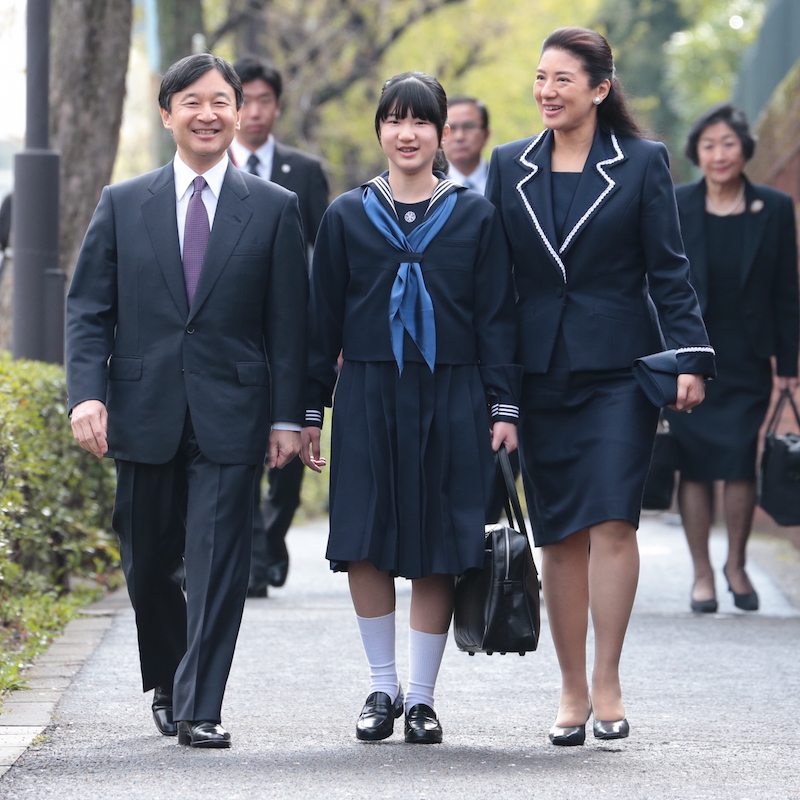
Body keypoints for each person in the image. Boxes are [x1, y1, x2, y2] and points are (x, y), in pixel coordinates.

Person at [65, 53, 308, 749]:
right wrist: (88, 394)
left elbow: (290, 324)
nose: (208, 114)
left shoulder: (273, 208)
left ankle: (201, 702)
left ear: (239, 113)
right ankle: (171, 676)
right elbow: (87, 310)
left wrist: (290, 416)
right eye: (192, 102)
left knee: (218, 560)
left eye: (221, 102)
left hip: (234, 413)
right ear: (167, 112)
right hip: (143, 411)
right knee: (146, 562)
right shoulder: (122, 202)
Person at [486, 27, 715, 746]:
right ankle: (571, 686)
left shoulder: (642, 163)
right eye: (540, 77)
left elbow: (668, 270)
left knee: (614, 520)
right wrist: (493, 387)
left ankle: (609, 677)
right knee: (558, 533)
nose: (546, 91)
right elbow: (494, 287)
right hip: (539, 372)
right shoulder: (507, 165)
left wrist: (689, 358)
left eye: (562, 79)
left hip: (620, 367)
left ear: (599, 88)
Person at [300, 71, 519, 744]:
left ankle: (422, 699)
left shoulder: (476, 215)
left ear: (442, 133)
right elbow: (321, 322)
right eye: (395, 119)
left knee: (437, 544)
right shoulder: (345, 215)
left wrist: (503, 406)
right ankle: (381, 687)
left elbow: (497, 318)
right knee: (364, 539)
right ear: (380, 130)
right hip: (368, 392)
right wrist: (311, 412)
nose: (408, 132)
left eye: (422, 121)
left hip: (451, 394)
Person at [665, 103, 799, 614]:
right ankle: (702, 573)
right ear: (696, 153)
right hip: (690, 354)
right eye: (708, 145)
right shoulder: (677, 205)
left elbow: (787, 288)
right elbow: (659, 283)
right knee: (694, 465)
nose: (719, 154)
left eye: (728, 144)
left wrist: (788, 360)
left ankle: (736, 564)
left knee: (742, 460)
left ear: (744, 150)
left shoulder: (774, 207)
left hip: (746, 357)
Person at [230, 55, 330, 597]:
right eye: (244, 99)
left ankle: (270, 538)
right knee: (241, 447)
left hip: (293, 331)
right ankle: (253, 559)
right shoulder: (213, 166)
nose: (254, 112)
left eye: (264, 100)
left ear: (277, 106)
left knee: (289, 454)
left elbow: (326, 251)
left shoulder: (304, 170)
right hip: (236, 332)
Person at [442, 95, 491, 194]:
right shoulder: (428, 187)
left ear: (486, 135)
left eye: (468, 127)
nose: (459, 137)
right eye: (451, 128)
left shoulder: (506, 182)